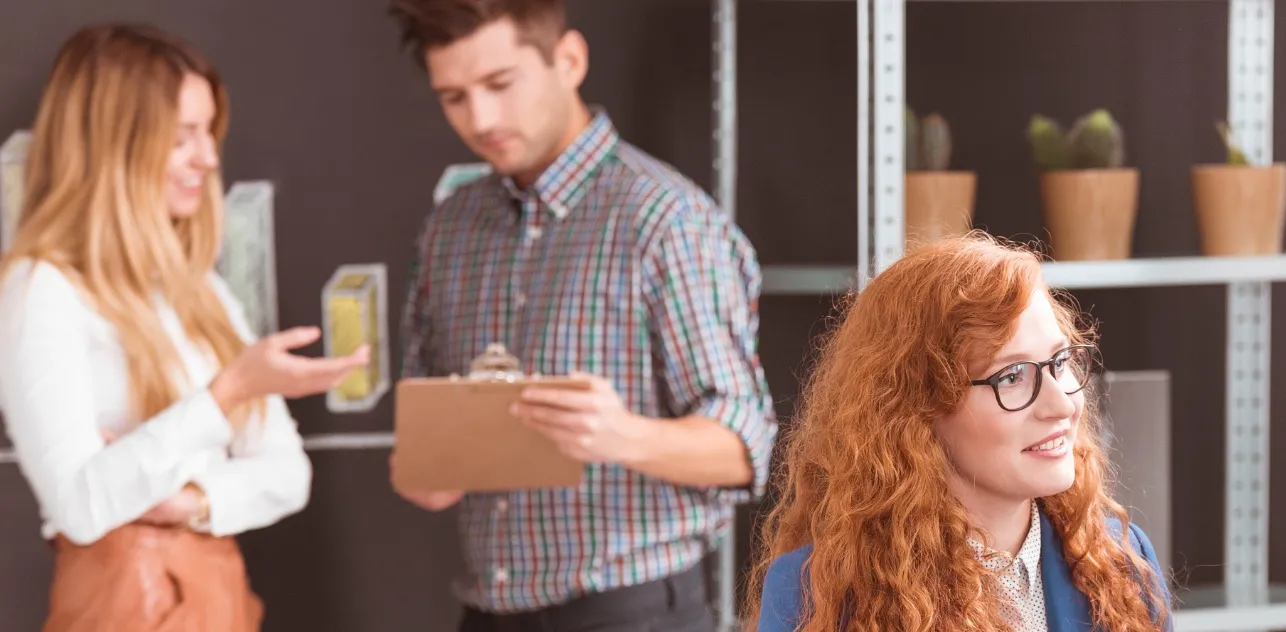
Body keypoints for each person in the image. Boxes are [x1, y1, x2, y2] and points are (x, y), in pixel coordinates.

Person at [383, 0, 778, 630]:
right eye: (453, 96)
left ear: (568, 59)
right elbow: (428, 425)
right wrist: (427, 468)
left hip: (632, 609)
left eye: (499, 85)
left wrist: (624, 435)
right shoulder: (449, 230)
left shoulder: (666, 221)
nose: (480, 118)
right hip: (487, 609)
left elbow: (745, 447)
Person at [0, 23, 367, 630]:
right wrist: (226, 395)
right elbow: (80, 507)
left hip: (217, 602)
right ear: (115, 146)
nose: (210, 157)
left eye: (208, 133)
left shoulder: (201, 292)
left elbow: (287, 476)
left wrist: (188, 503)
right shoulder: (42, 290)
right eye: (183, 137)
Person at [747, 234, 1170, 632]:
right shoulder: (817, 595)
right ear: (915, 410)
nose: (1062, 404)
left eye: (1060, 362)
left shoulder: (1124, 560)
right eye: (1011, 376)